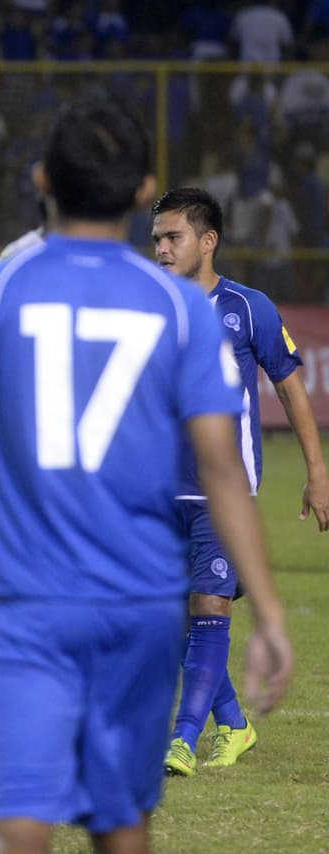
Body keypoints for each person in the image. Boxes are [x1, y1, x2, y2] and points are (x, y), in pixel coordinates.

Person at [0, 99, 294, 852]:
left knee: (20, 830)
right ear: (139, 191)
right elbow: (224, 470)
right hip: (143, 608)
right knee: (122, 830)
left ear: (40, 179)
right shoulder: (183, 309)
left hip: (33, 608)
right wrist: (274, 617)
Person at [151, 186, 329, 776]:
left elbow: (289, 386)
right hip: (154, 489)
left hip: (223, 492)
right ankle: (233, 722)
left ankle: (182, 737)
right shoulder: (146, 309)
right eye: (156, 238)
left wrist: (317, 472)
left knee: (210, 603)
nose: (161, 249)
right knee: (174, 616)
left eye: (173, 237)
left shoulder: (249, 307)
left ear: (208, 241)